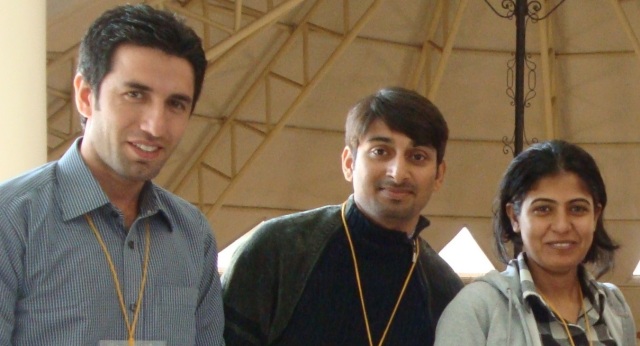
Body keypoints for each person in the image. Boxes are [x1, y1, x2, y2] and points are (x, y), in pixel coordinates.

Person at [0, 4, 225, 345]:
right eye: (135, 95)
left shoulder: (192, 234)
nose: (155, 125)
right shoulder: (14, 220)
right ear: (86, 95)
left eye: (176, 104)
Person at [222, 86, 464, 345]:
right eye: (380, 152)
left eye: (417, 157)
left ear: (439, 175)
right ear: (349, 163)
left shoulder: (445, 292)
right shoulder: (279, 249)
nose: (397, 173)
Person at [435, 140, 636, 345]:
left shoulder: (614, 306)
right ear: (514, 217)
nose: (562, 226)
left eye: (577, 208)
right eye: (543, 209)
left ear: (595, 216)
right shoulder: (477, 309)